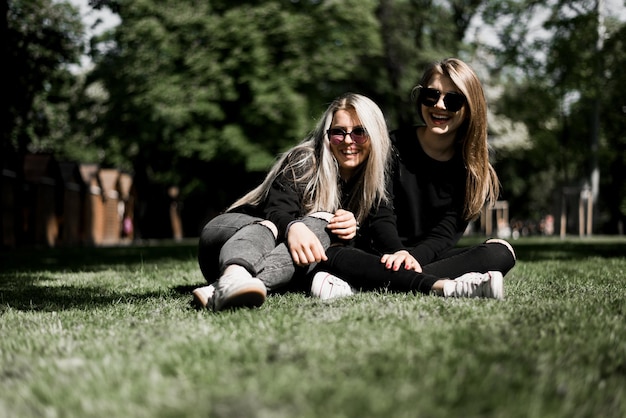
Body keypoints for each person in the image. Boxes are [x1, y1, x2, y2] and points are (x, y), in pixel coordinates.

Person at [194, 92, 502, 312]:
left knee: (327, 229)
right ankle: (233, 277)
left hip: (271, 262)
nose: (348, 141)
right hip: (230, 237)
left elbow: (381, 221)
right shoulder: (307, 159)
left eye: (359, 132)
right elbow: (277, 208)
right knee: (319, 223)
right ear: (327, 136)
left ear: (375, 136)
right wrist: (293, 227)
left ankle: (229, 286)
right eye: (338, 133)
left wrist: (397, 251)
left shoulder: (373, 180)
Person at [311, 58, 516, 300]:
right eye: (431, 96)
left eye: (453, 100)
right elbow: (380, 212)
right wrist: (397, 252)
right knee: (335, 255)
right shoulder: (391, 145)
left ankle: (371, 281)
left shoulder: (472, 168)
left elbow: (445, 234)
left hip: (423, 258)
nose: (439, 106)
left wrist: (413, 259)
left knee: (501, 252)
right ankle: (443, 284)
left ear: (470, 107)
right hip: (378, 252)